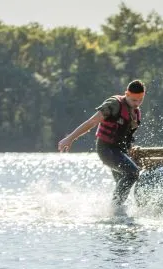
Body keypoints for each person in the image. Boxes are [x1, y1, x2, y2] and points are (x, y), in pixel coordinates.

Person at [57, 80, 146, 209]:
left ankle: (117, 213)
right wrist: (70, 138)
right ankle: (115, 209)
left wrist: (130, 151)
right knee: (133, 173)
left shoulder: (135, 112)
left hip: (121, 152)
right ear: (126, 94)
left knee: (123, 180)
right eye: (133, 100)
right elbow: (92, 121)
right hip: (107, 149)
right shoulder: (114, 104)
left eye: (140, 100)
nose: (137, 104)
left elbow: (127, 136)